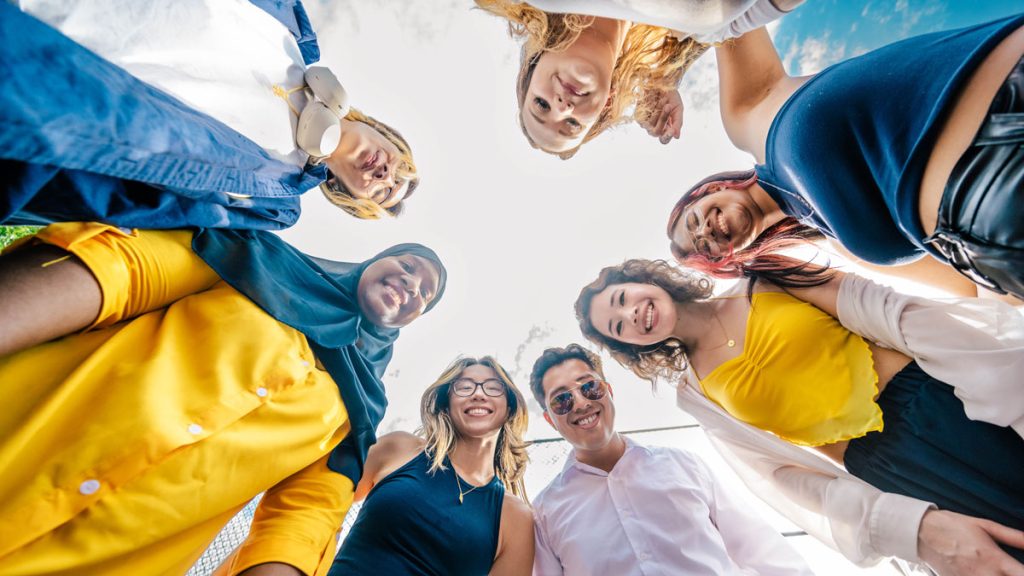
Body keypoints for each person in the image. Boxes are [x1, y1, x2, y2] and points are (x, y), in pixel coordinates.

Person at [0, 222, 446, 575]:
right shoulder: (255, 261)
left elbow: (305, 517)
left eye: (425, 293)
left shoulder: (359, 412)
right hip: (22, 441)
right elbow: (124, 270)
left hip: (105, 557)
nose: (412, 285)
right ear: (373, 262)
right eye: (407, 266)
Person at [575, 258, 1024, 575]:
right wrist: (897, 523)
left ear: (641, 280)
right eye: (619, 326)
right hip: (889, 467)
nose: (631, 313)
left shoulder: (763, 278)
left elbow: (884, 304)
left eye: (622, 297)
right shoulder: (694, 396)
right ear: (634, 346)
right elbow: (781, 475)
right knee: (1000, 549)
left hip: (939, 401)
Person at [668, 14, 1024, 298]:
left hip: (1002, 93)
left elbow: (724, 11)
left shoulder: (748, 117)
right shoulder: (839, 244)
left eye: (692, 222)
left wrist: (661, 79)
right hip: (995, 242)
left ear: (707, 191)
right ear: (731, 258)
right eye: (706, 250)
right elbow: (969, 289)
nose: (706, 233)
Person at [1, 0, 418, 229]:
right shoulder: (293, 29)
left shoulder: (274, 198)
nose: (387, 176)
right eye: (400, 168)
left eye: (383, 193)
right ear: (383, 132)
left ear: (348, 196)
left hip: (33, 70)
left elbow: (136, 203)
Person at [528, 343, 814, 575]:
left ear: (609, 391)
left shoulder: (683, 465)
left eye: (589, 387)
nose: (580, 402)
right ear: (550, 420)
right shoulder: (545, 513)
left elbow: (762, 552)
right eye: (561, 400)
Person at [475, 1, 803, 158]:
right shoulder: (699, 27)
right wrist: (669, 73)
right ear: (605, 106)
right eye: (572, 125)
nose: (562, 107)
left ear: (535, 63)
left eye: (540, 104)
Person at [329, 356, 534, 576]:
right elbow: (322, 506)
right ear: (445, 405)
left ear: (510, 408)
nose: (478, 394)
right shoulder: (398, 449)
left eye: (494, 388)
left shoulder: (516, 518)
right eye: (464, 387)